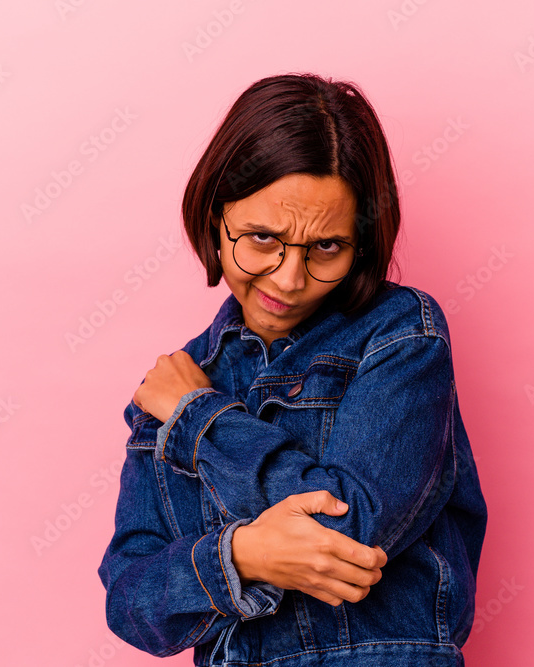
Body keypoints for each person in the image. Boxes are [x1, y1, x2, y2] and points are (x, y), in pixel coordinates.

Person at [98, 72, 487, 666]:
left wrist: (202, 422)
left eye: (326, 247)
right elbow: (131, 603)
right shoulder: (173, 387)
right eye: (261, 238)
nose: (288, 279)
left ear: (361, 241)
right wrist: (244, 555)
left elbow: (347, 531)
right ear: (213, 216)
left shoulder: (400, 334)